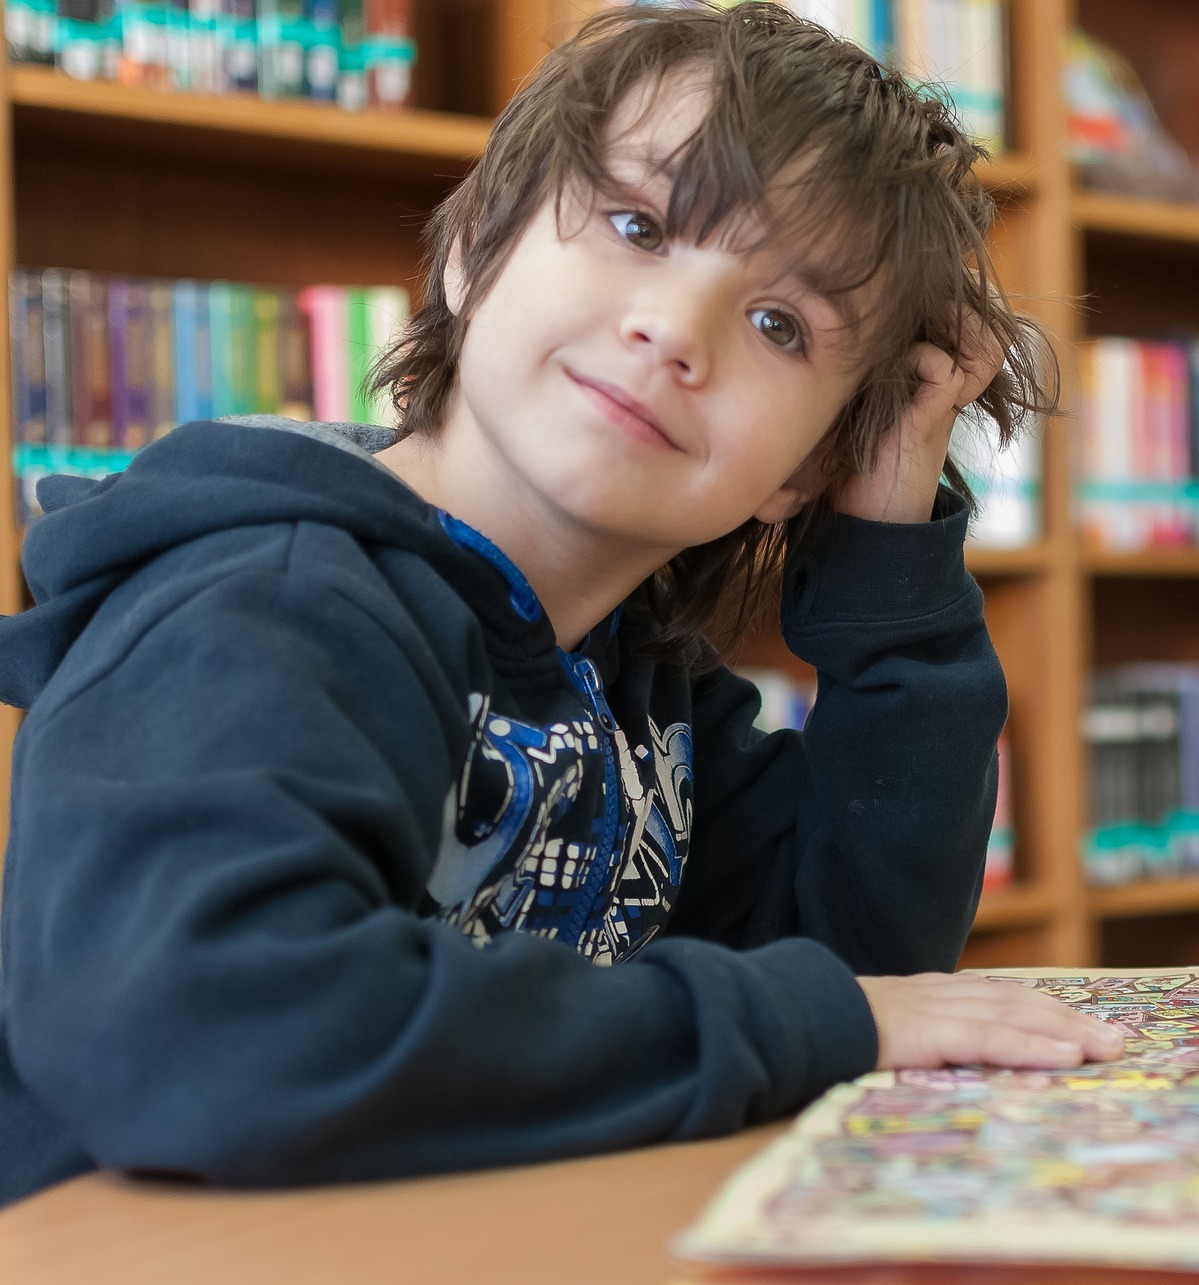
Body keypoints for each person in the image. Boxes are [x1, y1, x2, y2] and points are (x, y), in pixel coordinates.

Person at [0, 3, 1122, 1207]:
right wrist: (805, 1019)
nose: (674, 330)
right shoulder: (261, 607)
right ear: (473, 248)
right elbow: (210, 1040)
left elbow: (856, 969)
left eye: (780, 326)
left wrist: (889, 536)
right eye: (638, 224)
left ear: (801, 470)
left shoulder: (640, 683)